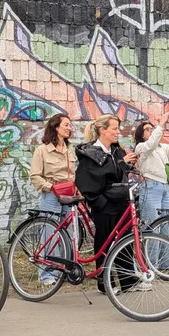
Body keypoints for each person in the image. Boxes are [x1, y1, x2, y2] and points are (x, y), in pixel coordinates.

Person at [74, 114, 147, 294]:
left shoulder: (115, 150)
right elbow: (85, 181)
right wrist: (99, 202)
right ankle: (104, 282)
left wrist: (128, 164)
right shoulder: (91, 153)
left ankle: (127, 280)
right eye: (114, 128)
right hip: (104, 204)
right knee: (104, 243)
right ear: (102, 130)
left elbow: (117, 172)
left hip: (121, 200)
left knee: (124, 241)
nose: (118, 132)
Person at [29, 113, 75, 286]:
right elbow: (35, 176)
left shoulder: (70, 151)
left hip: (69, 196)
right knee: (50, 235)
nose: (69, 128)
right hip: (51, 195)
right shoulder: (42, 150)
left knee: (69, 235)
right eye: (66, 125)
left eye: (70, 125)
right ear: (56, 127)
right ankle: (47, 274)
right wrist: (51, 187)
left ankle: (65, 270)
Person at [134, 111, 169, 270]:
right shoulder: (142, 147)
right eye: (147, 129)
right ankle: (151, 264)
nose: (151, 131)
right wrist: (160, 125)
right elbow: (151, 143)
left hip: (164, 188)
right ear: (141, 135)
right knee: (152, 226)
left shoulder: (160, 148)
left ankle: (165, 262)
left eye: (151, 128)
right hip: (150, 187)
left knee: (167, 224)